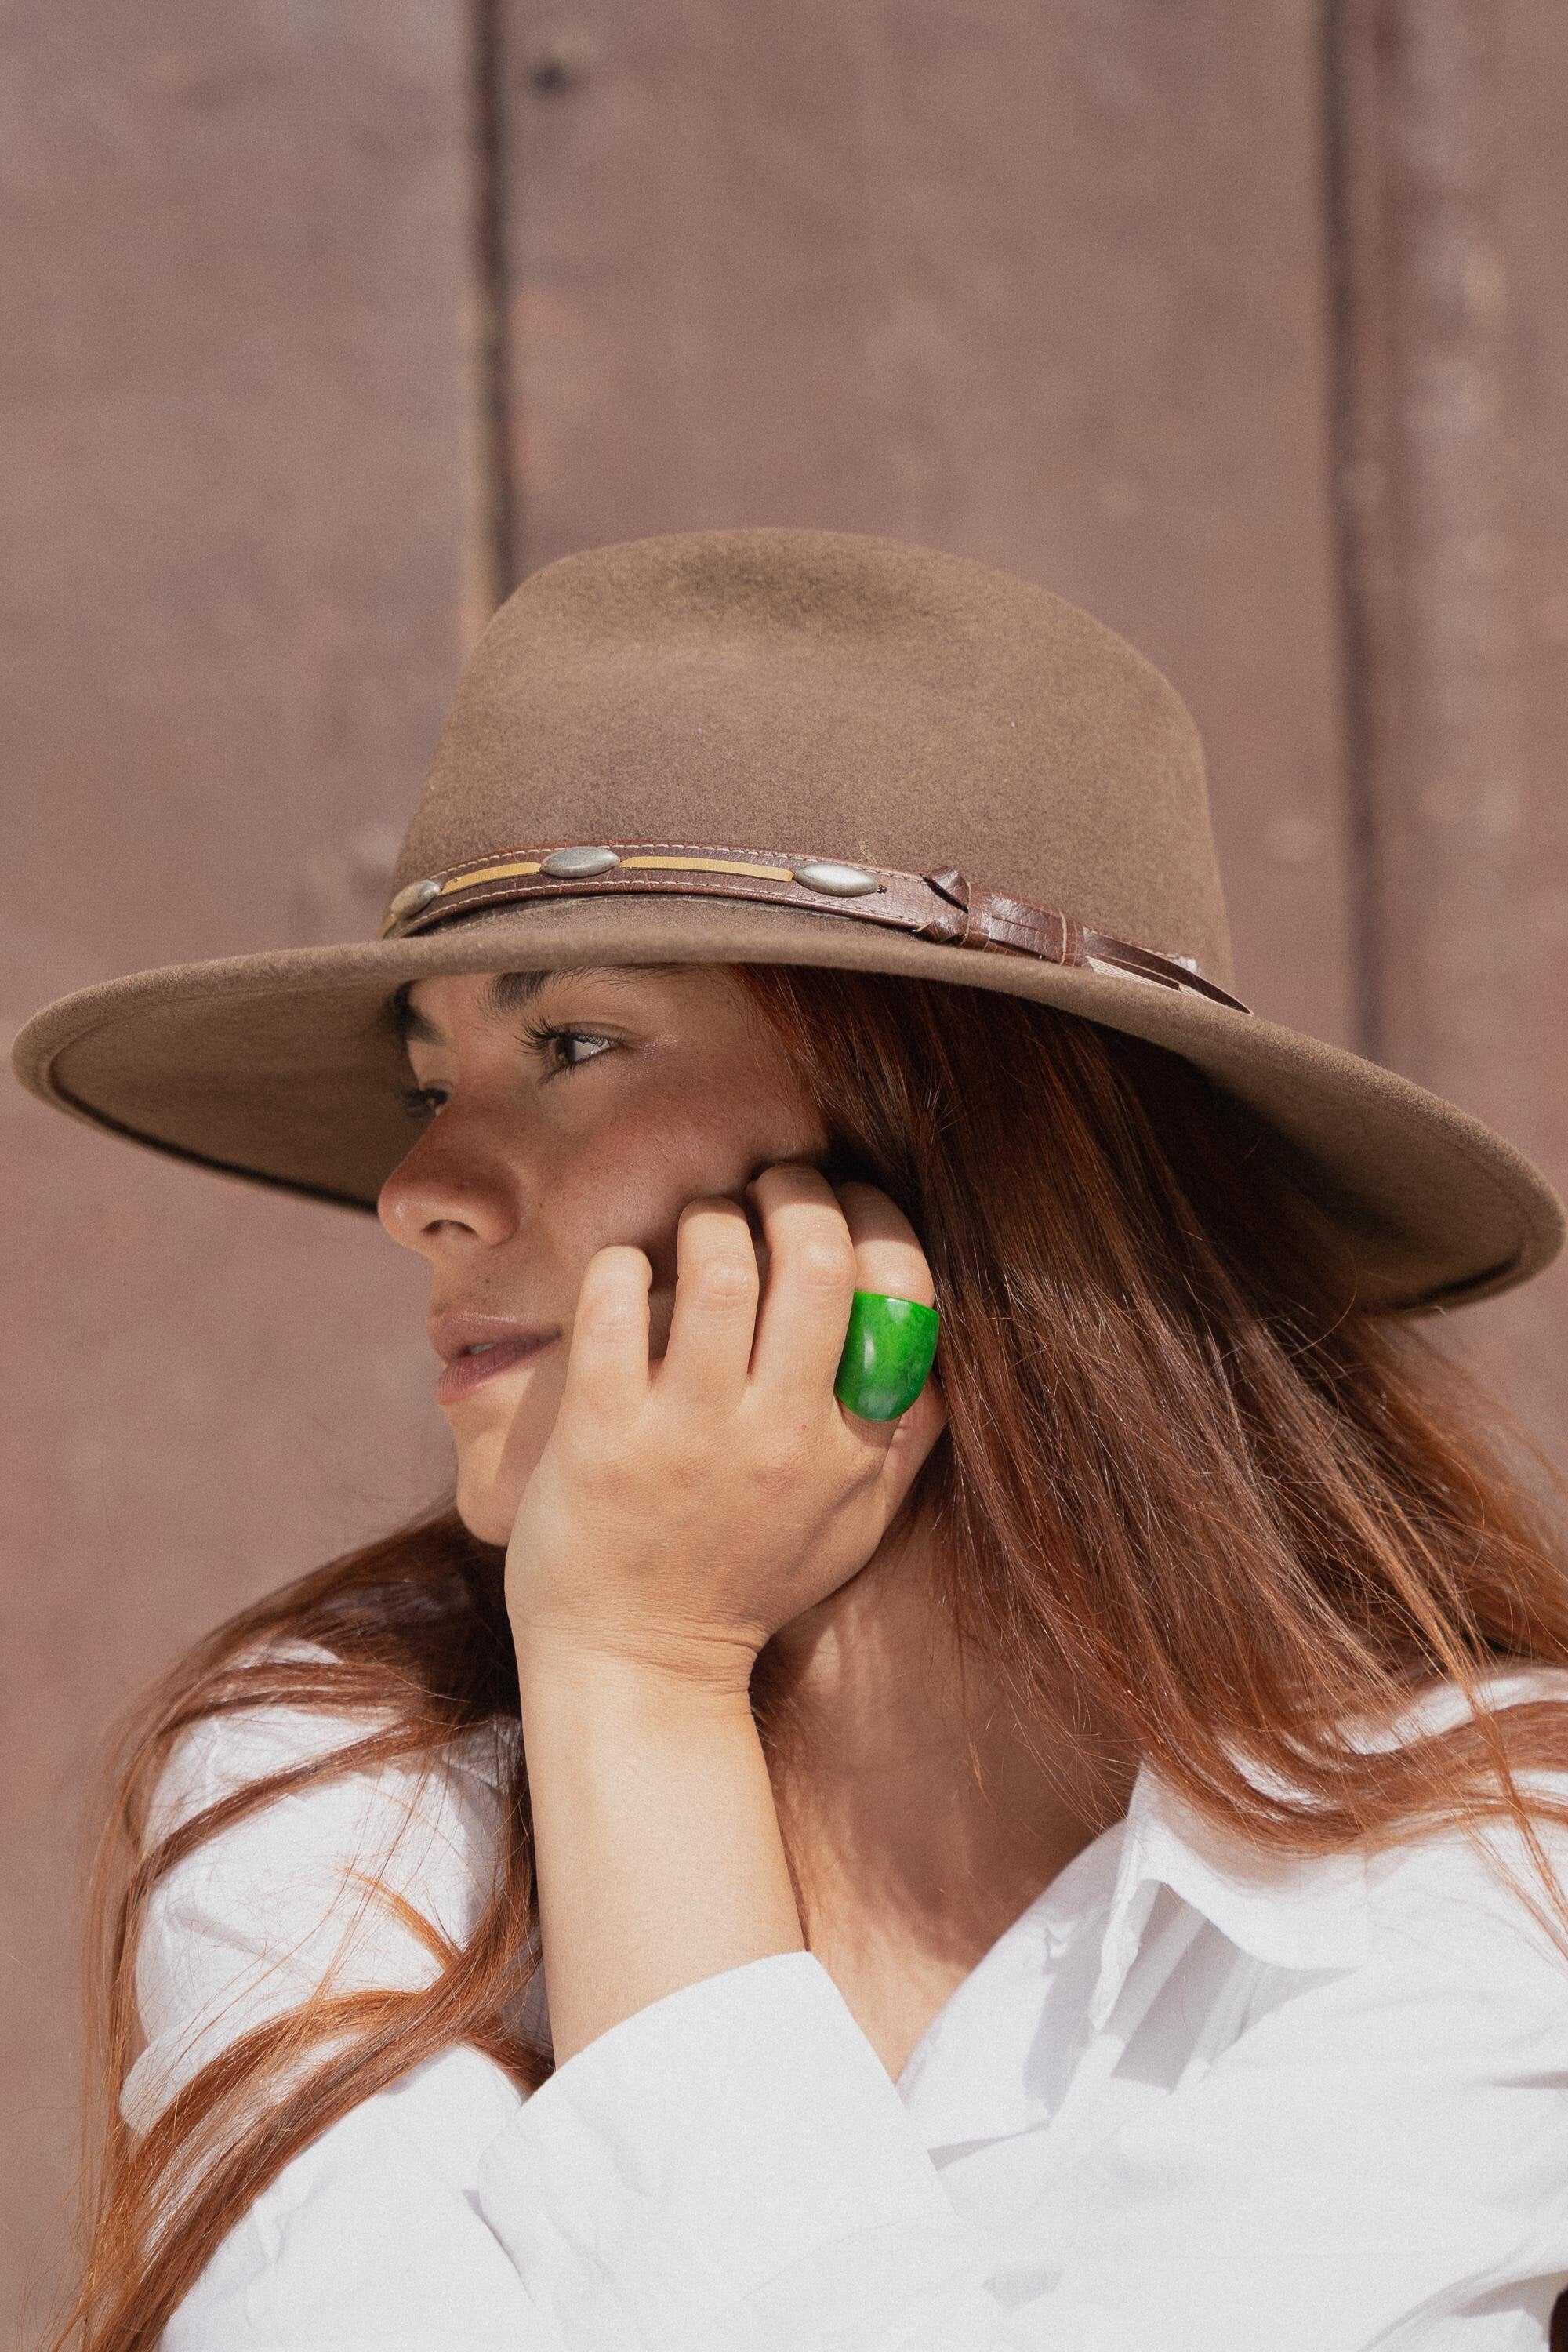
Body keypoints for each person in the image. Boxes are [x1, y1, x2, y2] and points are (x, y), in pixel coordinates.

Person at [15, 526, 1568, 2352]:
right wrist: (621, 1677)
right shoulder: (340, 1786)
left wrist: (642, 1680)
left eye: (575, 1043)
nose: (416, 1189)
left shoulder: (1483, 1857)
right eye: (429, 1082)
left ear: (966, 1147)